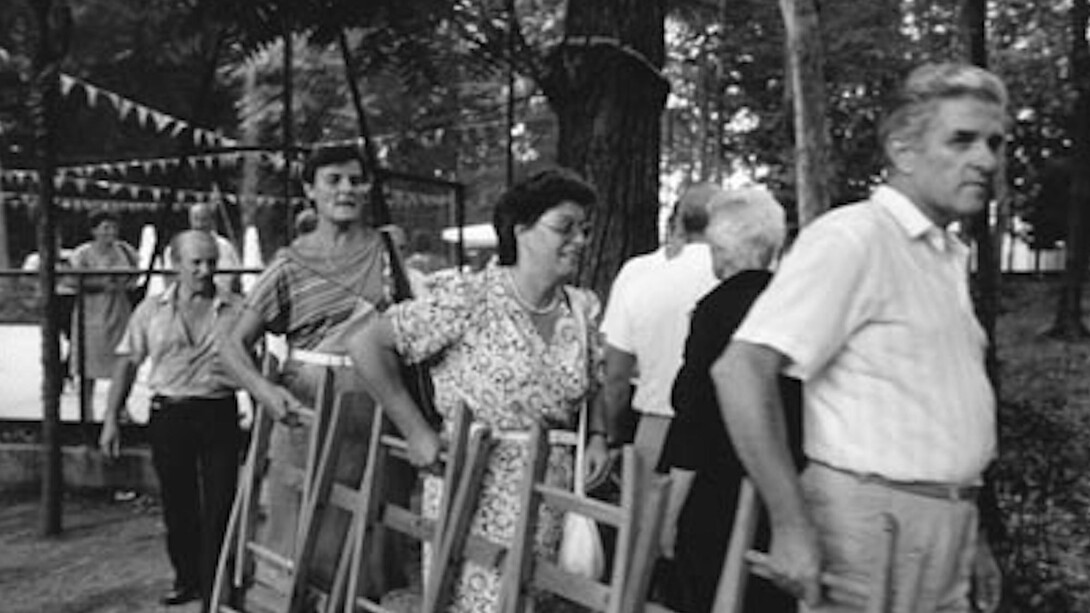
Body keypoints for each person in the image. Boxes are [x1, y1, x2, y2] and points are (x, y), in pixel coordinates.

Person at [712, 62, 1007, 612]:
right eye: (962, 139)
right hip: (870, 530)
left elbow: (939, 416)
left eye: (993, 142)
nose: (986, 159)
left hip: (945, 524)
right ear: (902, 150)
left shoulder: (944, 255)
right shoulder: (854, 239)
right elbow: (740, 369)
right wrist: (790, 521)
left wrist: (969, 530)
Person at [346, 167, 609, 613]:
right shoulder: (469, 296)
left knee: (538, 601)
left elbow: (594, 383)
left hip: (552, 494)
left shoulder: (581, 309)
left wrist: (598, 436)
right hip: (474, 487)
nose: (580, 240)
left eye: (584, 229)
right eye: (566, 227)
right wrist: (415, 430)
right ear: (521, 229)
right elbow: (366, 344)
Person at [217, 144, 411, 599]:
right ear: (310, 190)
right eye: (334, 180)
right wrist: (263, 390)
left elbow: (411, 330)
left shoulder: (387, 252)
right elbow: (230, 343)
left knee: (370, 539)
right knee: (301, 538)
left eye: (356, 180)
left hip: (376, 413)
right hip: (309, 413)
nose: (347, 189)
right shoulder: (291, 262)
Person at [657, 187, 799, 613]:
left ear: (721, 250)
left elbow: (692, 421)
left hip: (715, 499)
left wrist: (669, 513)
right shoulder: (795, 305)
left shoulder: (713, 312)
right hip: (783, 496)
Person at [99, 230, 243, 608]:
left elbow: (255, 366)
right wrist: (112, 417)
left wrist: (265, 412)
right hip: (170, 413)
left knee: (221, 500)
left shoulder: (236, 308)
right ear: (174, 264)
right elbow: (128, 361)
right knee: (178, 503)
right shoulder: (150, 311)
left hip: (219, 411)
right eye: (195, 262)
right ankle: (187, 579)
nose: (205, 270)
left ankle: (216, 584)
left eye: (211, 261)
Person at [597, 183, 719, 471]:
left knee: (647, 512)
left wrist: (612, 436)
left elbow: (615, 375)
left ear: (678, 224)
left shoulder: (640, 279)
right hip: (721, 433)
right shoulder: (738, 282)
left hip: (655, 425)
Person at [65, 208, 140, 421]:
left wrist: (125, 282)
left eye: (114, 227)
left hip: (118, 311)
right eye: (105, 228)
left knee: (125, 361)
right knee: (88, 365)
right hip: (91, 314)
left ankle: (119, 407)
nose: (111, 232)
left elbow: (136, 276)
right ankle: (86, 411)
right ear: (94, 230)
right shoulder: (82, 254)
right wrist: (98, 284)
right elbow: (70, 281)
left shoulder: (125, 250)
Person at [162, 202, 242, 295]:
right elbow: (169, 279)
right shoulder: (176, 247)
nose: (200, 224)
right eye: (196, 219)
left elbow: (237, 278)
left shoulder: (225, 247)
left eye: (204, 219)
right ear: (190, 220)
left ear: (211, 220)